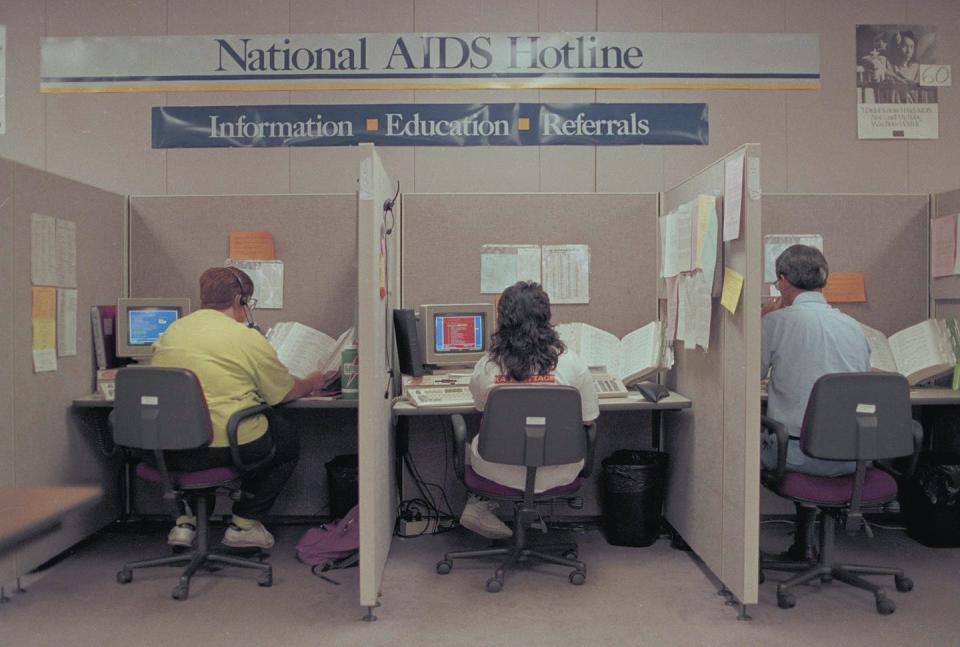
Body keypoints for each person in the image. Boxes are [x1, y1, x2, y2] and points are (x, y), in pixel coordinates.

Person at [151, 267, 331, 550]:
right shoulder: (246, 338)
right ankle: (243, 525)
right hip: (226, 444)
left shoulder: (172, 332)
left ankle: (186, 523)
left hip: (168, 445)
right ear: (240, 300)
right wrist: (312, 381)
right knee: (284, 439)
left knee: (194, 452)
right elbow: (281, 393)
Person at [461, 281, 600, 539]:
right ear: (546, 317)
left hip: (497, 471)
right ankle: (530, 515)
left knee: (469, 442)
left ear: (502, 320)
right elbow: (589, 420)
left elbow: (480, 407)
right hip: (560, 471)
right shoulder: (572, 363)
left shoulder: (489, 365)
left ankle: (480, 503)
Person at [761, 245, 871, 559]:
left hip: (797, 454)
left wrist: (761, 319)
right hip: (857, 455)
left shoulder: (777, 322)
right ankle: (804, 543)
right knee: (807, 430)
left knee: (749, 444)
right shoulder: (852, 326)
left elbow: (748, 375)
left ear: (782, 281)